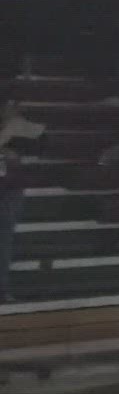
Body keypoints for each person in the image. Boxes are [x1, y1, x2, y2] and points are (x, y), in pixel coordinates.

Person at [0, 95, 47, 304]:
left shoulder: (20, 127)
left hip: (9, 189)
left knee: (4, 239)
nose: (14, 108)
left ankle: (1, 288)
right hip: (9, 188)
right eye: (10, 104)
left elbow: (41, 140)